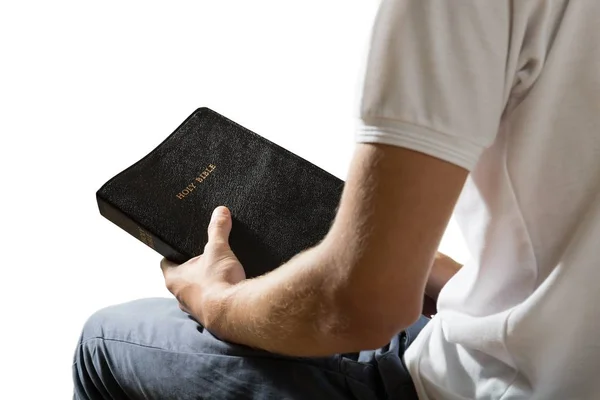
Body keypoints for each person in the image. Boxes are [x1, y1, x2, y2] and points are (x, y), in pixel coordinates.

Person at [73, 1, 600, 399]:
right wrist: (417, 264)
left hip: (497, 385)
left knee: (102, 342)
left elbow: (360, 309)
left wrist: (215, 301)